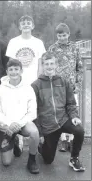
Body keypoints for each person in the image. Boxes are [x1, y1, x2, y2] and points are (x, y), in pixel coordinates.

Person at [31, 52, 85, 172]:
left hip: (63, 119)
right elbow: (33, 111)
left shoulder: (63, 81)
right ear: (42, 66)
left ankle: (74, 158)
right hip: (48, 125)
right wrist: (39, 133)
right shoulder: (36, 85)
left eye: (52, 63)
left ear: (56, 65)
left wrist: (74, 116)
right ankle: (42, 146)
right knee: (48, 160)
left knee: (79, 130)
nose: (49, 66)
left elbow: (71, 103)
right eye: (46, 64)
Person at [6, 15, 46, 155]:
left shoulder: (38, 43)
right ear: (19, 26)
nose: (26, 25)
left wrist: (38, 80)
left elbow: (40, 63)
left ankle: (38, 141)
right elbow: (11, 63)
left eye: (29, 23)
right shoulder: (13, 42)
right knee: (17, 109)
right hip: (18, 83)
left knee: (35, 111)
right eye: (23, 23)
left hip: (33, 82)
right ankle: (18, 140)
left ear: (33, 26)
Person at [0, 59, 39, 174]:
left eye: (16, 69)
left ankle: (32, 160)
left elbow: (32, 112)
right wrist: (9, 124)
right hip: (6, 125)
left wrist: (19, 124)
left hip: (23, 123)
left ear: (21, 71)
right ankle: (14, 140)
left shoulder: (28, 88)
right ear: (6, 71)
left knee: (34, 132)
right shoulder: (0, 89)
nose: (14, 72)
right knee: (6, 162)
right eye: (11, 69)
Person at [48, 23, 84, 152]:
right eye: (59, 35)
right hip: (57, 86)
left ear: (68, 34)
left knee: (72, 111)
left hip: (72, 87)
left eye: (64, 35)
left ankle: (71, 139)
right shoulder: (52, 49)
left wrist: (78, 84)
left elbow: (79, 68)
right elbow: (49, 67)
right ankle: (63, 140)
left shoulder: (75, 48)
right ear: (56, 35)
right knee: (60, 111)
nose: (62, 37)